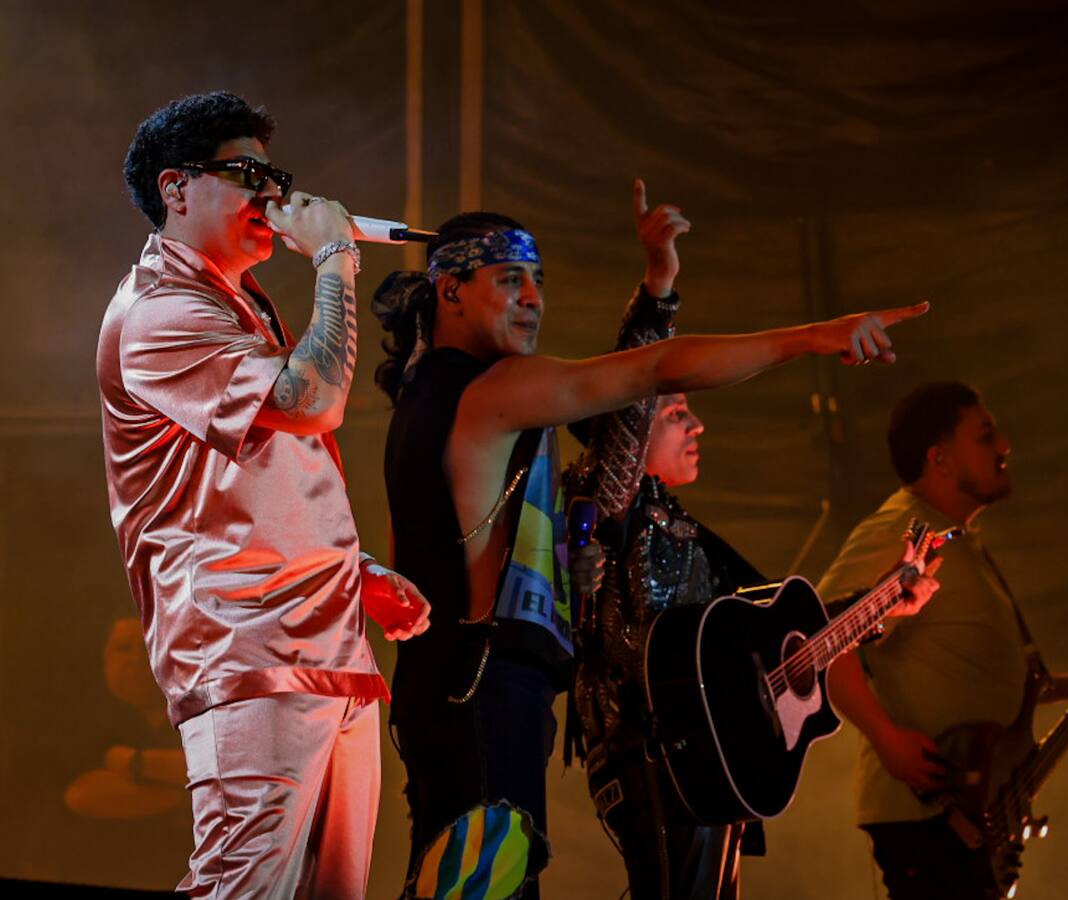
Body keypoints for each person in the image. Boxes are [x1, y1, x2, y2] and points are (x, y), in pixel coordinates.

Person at [372, 179, 927, 898]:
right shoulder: (493, 390)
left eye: (538, 282)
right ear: (449, 291)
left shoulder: (424, 403)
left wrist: (567, 572)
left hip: (452, 691)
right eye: (510, 281)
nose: (535, 299)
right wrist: (814, 336)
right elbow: (656, 371)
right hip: (488, 692)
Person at [97, 91, 430, 899]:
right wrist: (335, 258)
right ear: (177, 190)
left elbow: (250, 487)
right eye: (246, 174)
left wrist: (353, 571)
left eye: (275, 176)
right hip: (247, 650)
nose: (273, 197)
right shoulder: (160, 310)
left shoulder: (232, 301)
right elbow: (313, 399)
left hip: (324, 647)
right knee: (241, 889)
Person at [563, 252, 942, 900]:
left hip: (707, 762)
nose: (697, 422)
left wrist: (887, 600)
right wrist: (655, 298)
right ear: (627, 432)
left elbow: (786, 638)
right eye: (676, 411)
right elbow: (632, 392)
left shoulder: (684, 531)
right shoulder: (614, 505)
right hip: (654, 759)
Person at [818, 381, 1068, 900]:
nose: (1004, 446)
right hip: (926, 817)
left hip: (967, 819)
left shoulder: (957, 538)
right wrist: (888, 740)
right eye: (985, 437)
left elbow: (970, 675)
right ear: (940, 459)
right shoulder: (901, 531)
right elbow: (821, 638)